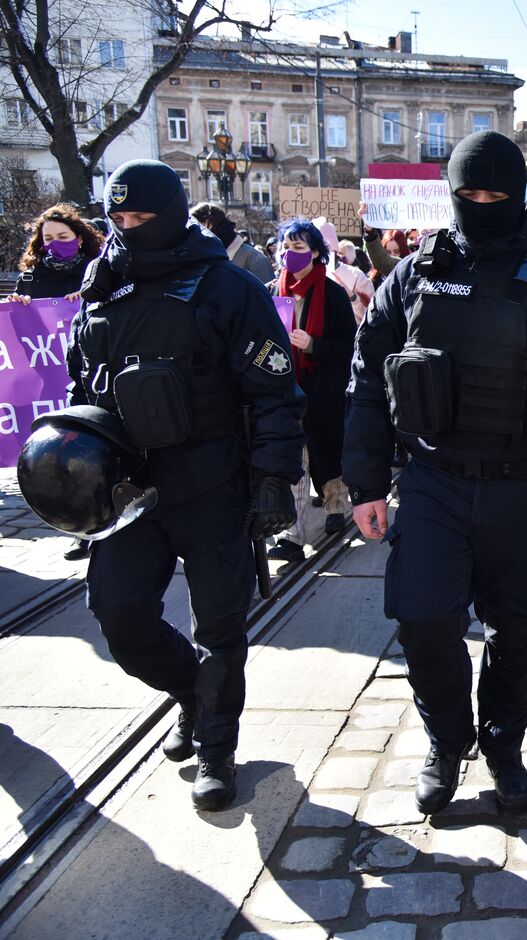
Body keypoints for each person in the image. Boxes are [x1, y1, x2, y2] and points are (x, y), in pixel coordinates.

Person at [343, 131, 527, 817]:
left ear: (518, 196)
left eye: (494, 194)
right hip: (432, 479)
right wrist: (363, 484)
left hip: (523, 482)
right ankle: (447, 742)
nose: (480, 204)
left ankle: (503, 748)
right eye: (468, 193)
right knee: (422, 622)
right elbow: (367, 378)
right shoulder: (414, 272)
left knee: (513, 632)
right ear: (451, 195)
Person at [64, 160, 304, 810]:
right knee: (118, 615)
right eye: (118, 220)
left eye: (141, 217)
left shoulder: (226, 288)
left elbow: (276, 392)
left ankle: (218, 749)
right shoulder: (102, 288)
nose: (128, 229)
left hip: (213, 483)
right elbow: (81, 384)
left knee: (221, 627)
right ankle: (192, 694)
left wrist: (275, 482)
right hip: (130, 493)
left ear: (169, 213)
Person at [8, 205, 107, 561]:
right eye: (48, 238)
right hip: (51, 382)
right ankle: (81, 526)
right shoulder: (32, 278)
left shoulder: (96, 271)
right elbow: (22, 338)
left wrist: (87, 300)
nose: (55, 244)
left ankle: (104, 518)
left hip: (90, 378)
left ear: (79, 238)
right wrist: (18, 307)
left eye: (62, 237)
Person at [265, 217, 357, 562]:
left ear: (316, 252)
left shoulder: (332, 293)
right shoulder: (275, 290)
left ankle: (336, 505)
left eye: (299, 248)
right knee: (295, 458)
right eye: (286, 248)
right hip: (287, 387)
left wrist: (313, 344)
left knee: (327, 452)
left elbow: (348, 346)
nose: (291, 255)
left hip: (324, 389)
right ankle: (292, 534)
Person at [191, 202, 274, 283]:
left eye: (195, 228)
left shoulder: (255, 259)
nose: (193, 235)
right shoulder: (206, 259)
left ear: (208, 224)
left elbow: (267, 294)